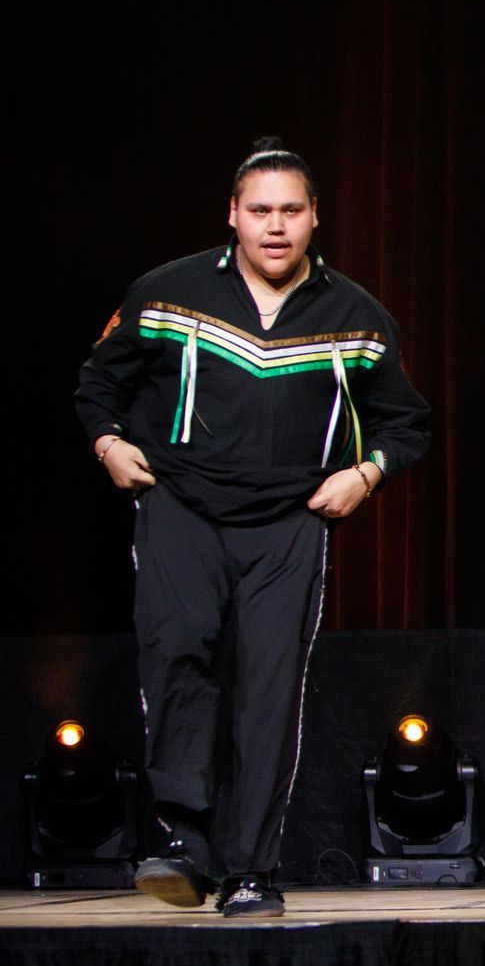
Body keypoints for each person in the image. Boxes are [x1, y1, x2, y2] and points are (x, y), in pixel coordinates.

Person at [75, 137, 431, 917]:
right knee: (177, 659)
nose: (275, 226)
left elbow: (406, 423)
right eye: (260, 210)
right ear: (233, 214)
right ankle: (185, 843)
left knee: (269, 688)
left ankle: (250, 869)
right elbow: (98, 382)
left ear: (315, 218)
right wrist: (108, 444)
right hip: (180, 506)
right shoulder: (165, 293)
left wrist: (365, 474)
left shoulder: (358, 317)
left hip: (289, 520)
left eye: (290, 211)